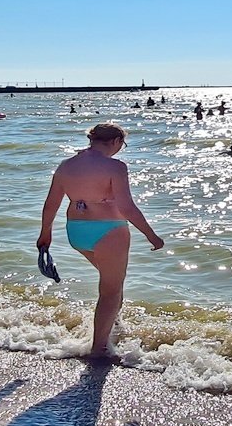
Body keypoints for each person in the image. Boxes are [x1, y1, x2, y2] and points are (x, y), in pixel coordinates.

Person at [35, 124, 165, 359]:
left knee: (113, 284)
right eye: (122, 145)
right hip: (109, 231)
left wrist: (45, 233)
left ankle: (114, 328)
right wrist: (150, 234)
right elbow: (126, 207)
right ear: (115, 141)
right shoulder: (115, 167)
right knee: (111, 290)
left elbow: (51, 203)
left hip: (76, 232)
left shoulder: (67, 166)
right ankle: (99, 348)